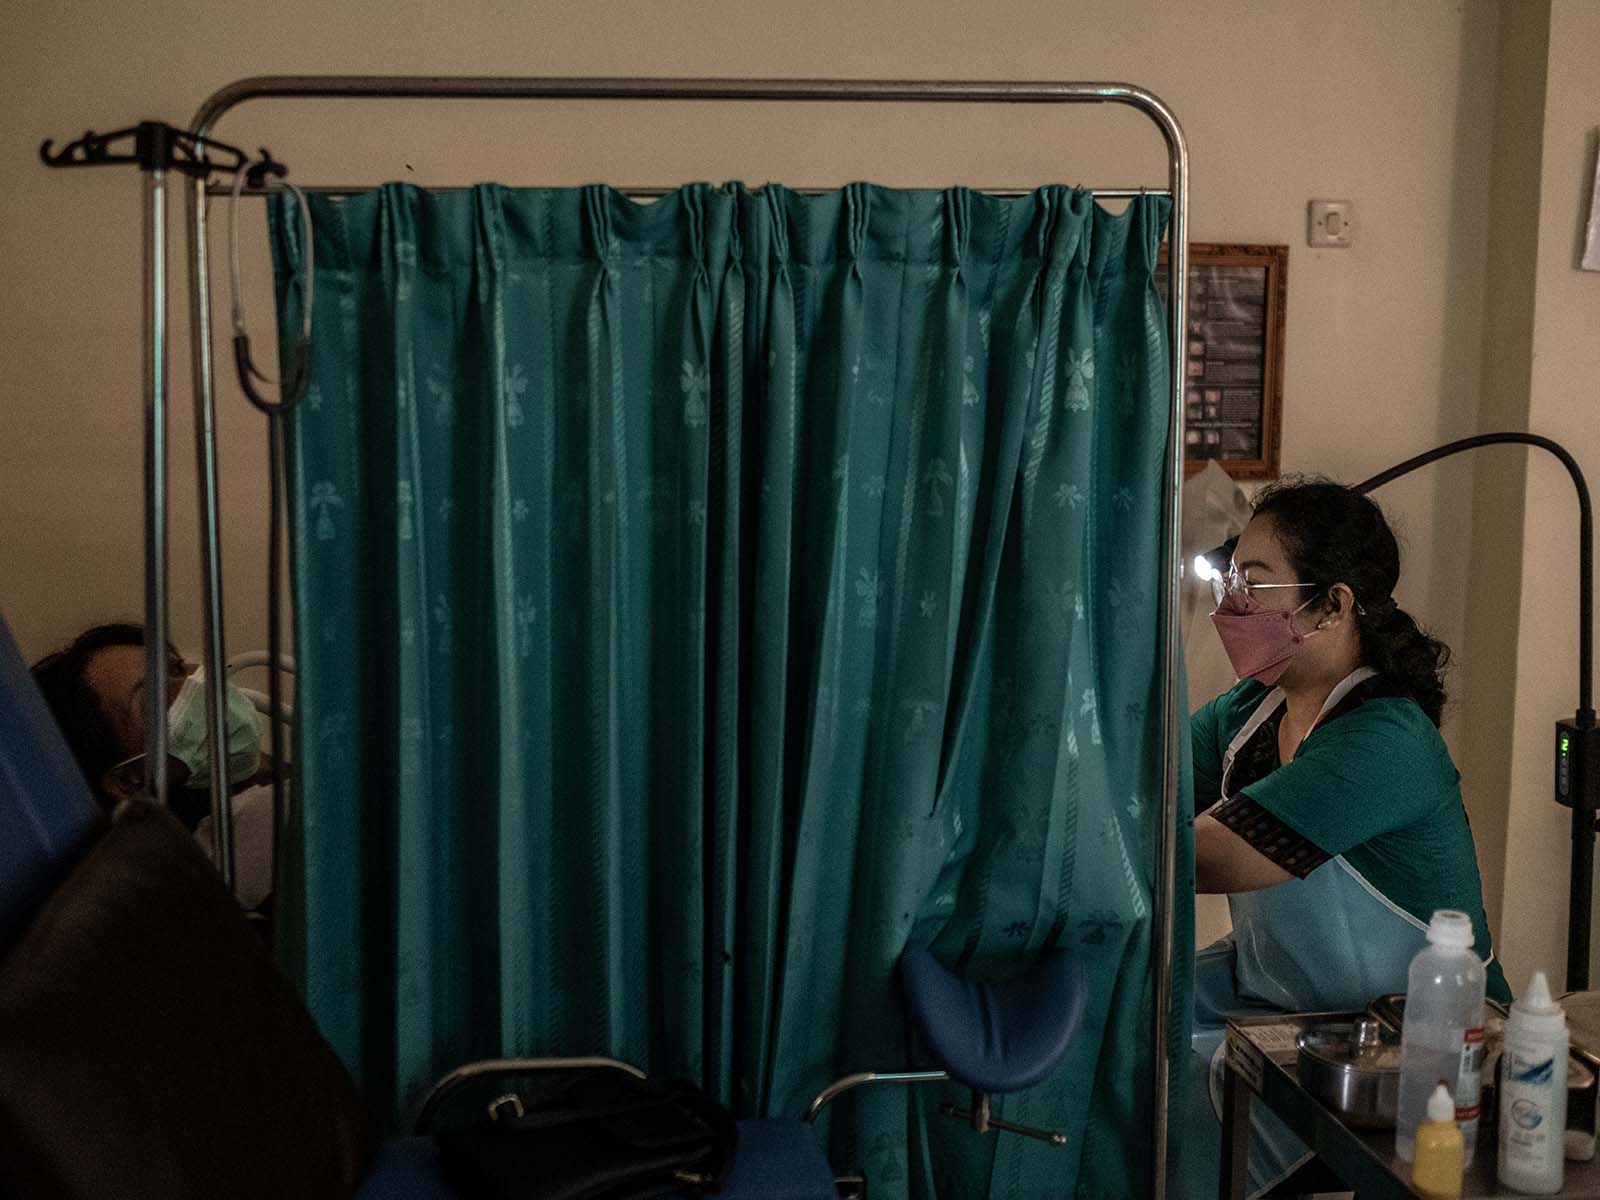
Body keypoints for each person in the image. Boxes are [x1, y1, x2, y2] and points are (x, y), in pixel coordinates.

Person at [1176, 477, 1508, 1198]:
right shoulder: (1250, 710)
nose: (1232, 602)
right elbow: (1151, 786)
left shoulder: (1386, 741)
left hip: (1399, 1041)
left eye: (1255, 582)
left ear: (1333, 604)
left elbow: (1212, 854)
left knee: (1176, 1096)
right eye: (1232, 579)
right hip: (1282, 995)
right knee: (1132, 1017)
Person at [31, 622, 277, 912]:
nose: (191, 686)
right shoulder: (244, 835)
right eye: (153, 699)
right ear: (127, 781)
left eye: (177, 669)